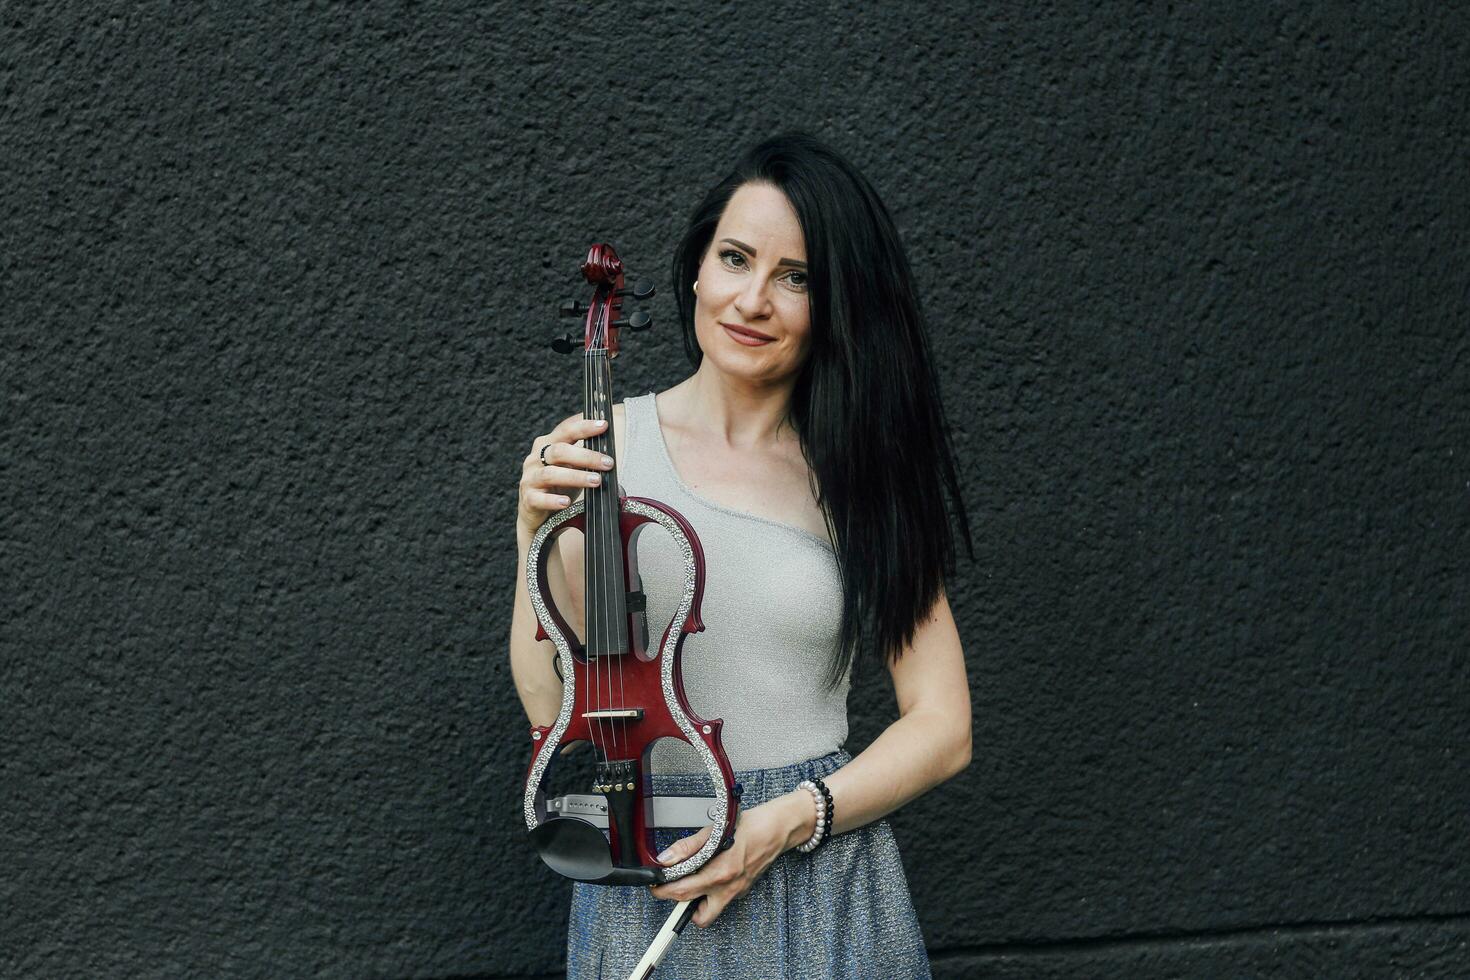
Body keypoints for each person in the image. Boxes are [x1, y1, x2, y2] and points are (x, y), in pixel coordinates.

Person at [510, 131, 973, 978]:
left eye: (795, 278)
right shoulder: (599, 452)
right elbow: (553, 709)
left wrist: (793, 819)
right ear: (695, 269)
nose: (752, 299)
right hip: (649, 867)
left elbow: (944, 726)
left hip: (821, 869)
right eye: (735, 258)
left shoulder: (857, 476)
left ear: (833, 307)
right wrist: (528, 541)